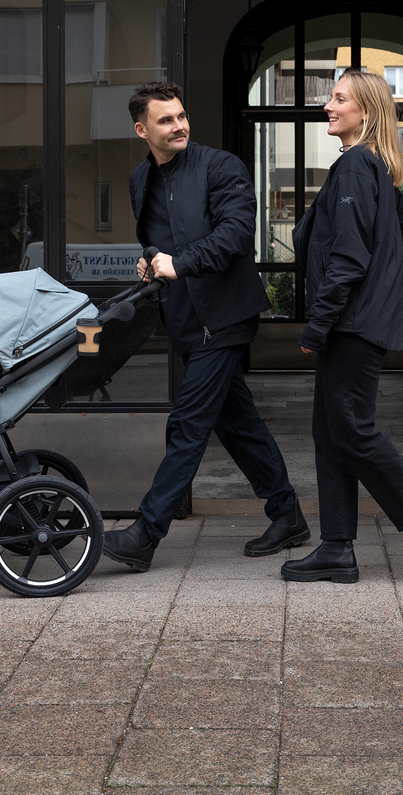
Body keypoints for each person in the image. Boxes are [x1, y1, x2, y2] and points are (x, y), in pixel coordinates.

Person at [282, 68, 403, 587]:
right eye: (331, 97)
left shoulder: (353, 170)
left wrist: (316, 328)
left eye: (339, 98)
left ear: (365, 113)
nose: (329, 105)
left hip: (353, 322)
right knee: (330, 431)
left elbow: (348, 258)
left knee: (350, 427)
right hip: (359, 321)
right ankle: (336, 548)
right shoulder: (372, 170)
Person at [102, 81, 309, 572]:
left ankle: (145, 533)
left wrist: (180, 263)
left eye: (181, 116)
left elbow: (236, 234)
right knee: (238, 424)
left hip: (226, 318)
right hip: (185, 319)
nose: (179, 126)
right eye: (166, 120)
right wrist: (150, 262)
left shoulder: (220, 167)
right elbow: (159, 243)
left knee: (189, 423)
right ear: (141, 130)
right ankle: (288, 515)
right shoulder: (139, 179)